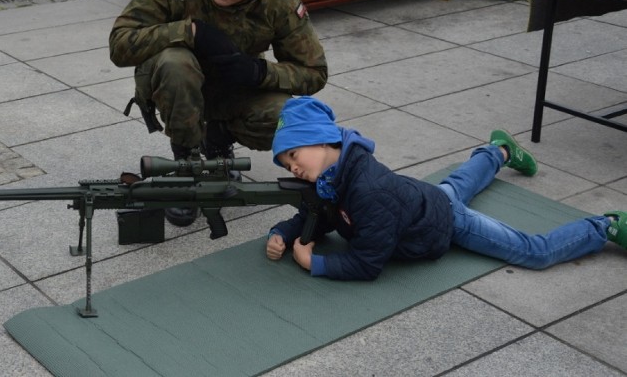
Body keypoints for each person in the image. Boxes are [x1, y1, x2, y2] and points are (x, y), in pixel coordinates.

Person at [266, 96, 627, 280]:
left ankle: (603, 225)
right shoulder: (331, 176)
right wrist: (284, 232)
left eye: (295, 154)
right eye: (286, 164)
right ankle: (499, 150)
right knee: (456, 184)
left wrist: (316, 263)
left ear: (326, 139)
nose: (293, 167)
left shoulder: (368, 191)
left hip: (443, 222)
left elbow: (368, 263)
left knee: (533, 252)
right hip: (418, 199)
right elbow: (318, 214)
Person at [109, 0, 328, 227]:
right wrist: (190, 31)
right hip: (177, 83)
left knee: (286, 118)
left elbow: (315, 72)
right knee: (176, 63)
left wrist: (258, 71)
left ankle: (217, 139)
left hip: (233, 87)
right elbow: (120, 44)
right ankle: (186, 167)